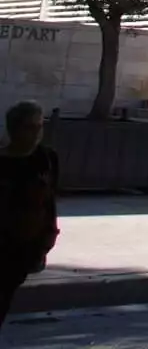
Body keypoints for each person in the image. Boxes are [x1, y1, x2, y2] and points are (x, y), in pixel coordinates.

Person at [1, 101, 58, 329]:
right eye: (29, 127)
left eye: (40, 126)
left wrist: (48, 236)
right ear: (14, 129)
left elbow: (50, 199)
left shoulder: (47, 158)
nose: (36, 133)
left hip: (27, 244)